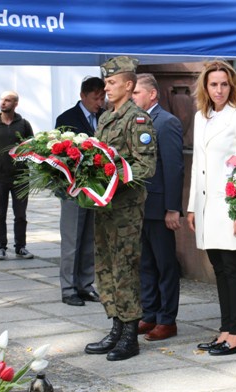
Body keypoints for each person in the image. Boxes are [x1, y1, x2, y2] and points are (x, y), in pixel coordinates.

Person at [83, 56, 157, 361]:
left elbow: (146, 166)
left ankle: (130, 334)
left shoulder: (138, 120)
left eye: (112, 83)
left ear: (129, 85)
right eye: (105, 83)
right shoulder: (105, 118)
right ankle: (115, 326)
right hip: (105, 207)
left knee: (125, 269)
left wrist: (113, 176)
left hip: (125, 208)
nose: (106, 88)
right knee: (105, 267)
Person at [187, 60, 236, 356]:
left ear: (232, 86)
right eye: (213, 84)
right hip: (205, 206)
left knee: (233, 269)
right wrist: (191, 207)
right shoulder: (202, 117)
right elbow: (196, 165)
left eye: (224, 84)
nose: (219, 89)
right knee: (219, 268)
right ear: (205, 86)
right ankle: (226, 328)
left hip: (230, 204)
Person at [132, 73, 185, 342]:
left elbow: (174, 167)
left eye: (136, 92)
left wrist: (173, 208)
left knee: (165, 265)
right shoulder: (137, 121)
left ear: (152, 94)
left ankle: (167, 320)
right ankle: (149, 313)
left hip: (160, 206)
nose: (132, 97)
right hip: (140, 205)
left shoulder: (166, 122)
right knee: (146, 264)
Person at [54, 76, 106, 306]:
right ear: (83, 96)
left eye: (102, 97)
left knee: (89, 240)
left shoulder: (104, 118)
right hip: (73, 189)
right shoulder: (66, 119)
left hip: (94, 188)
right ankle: (68, 288)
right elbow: (59, 154)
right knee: (72, 239)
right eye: (96, 98)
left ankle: (85, 285)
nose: (100, 102)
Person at [0, 91, 34, 261]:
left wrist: (21, 161)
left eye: (7, 100)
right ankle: (0, 247)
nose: (3, 103)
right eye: (2, 100)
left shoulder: (24, 124)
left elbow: (31, 145)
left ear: (15, 104)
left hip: (20, 176)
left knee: (20, 214)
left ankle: (21, 247)